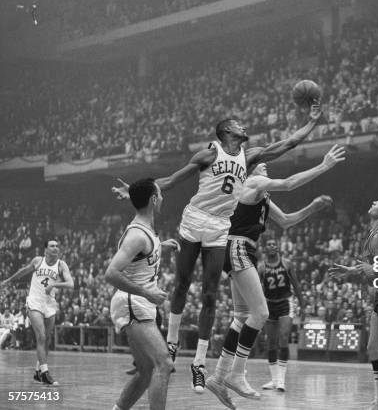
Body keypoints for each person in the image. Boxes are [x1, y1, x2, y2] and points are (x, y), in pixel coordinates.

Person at [112, 103, 323, 393]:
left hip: (220, 226)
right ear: (226, 131)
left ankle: (199, 364)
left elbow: (288, 143)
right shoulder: (209, 154)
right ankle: (171, 344)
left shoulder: (250, 157)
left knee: (210, 292)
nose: (244, 126)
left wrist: (310, 123)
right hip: (195, 218)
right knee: (183, 284)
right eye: (238, 124)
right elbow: (171, 180)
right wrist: (135, 191)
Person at [205, 145, 343, 409]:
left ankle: (219, 376)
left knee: (242, 317)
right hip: (237, 246)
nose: (267, 163)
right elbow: (290, 183)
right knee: (261, 313)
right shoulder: (252, 181)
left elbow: (287, 221)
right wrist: (324, 166)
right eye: (263, 160)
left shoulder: (261, 193)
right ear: (251, 165)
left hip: (237, 247)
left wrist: (312, 208)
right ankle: (236, 374)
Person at [105, 178, 180, 410]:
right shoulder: (137, 235)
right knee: (164, 363)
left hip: (136, 302)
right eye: (160, 194)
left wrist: (160, 245)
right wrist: (145, 293)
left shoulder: (146, 231)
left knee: (146, 372)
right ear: (154, 199)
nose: (163, 197)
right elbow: (111, 273)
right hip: (132, 302)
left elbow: (141, 256)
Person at [330, 195, 378, 410]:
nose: (373, 202)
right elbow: (374, 265)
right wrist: (351, 271)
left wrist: (374, 269)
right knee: (373, 349)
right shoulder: (375, 233)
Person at [0, 239, 74, 385]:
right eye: (52, 246)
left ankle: (37, 372)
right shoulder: (38, 261)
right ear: (45, 249)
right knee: (41, 335)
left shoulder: (61, 264)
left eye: (57, 246)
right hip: (34, 301)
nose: (55, 248)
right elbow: (23, 271)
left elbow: (70, 284)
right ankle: (45, 374)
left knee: (46, 340)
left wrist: (54, 283)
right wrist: (9, 280)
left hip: (49, 303)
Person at [260, 238, 304, 392]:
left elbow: (296, 285)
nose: (271, 245)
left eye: (274, 244)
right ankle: (274, 380)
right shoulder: (261, 267)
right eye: (269, 244)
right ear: (265, 248)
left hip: (286, 302)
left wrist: (303, 307)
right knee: (271, 342)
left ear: (278, 247)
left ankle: (281, 381)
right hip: (269, 303)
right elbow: (258, 290)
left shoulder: (286, 263)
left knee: (284, 337)